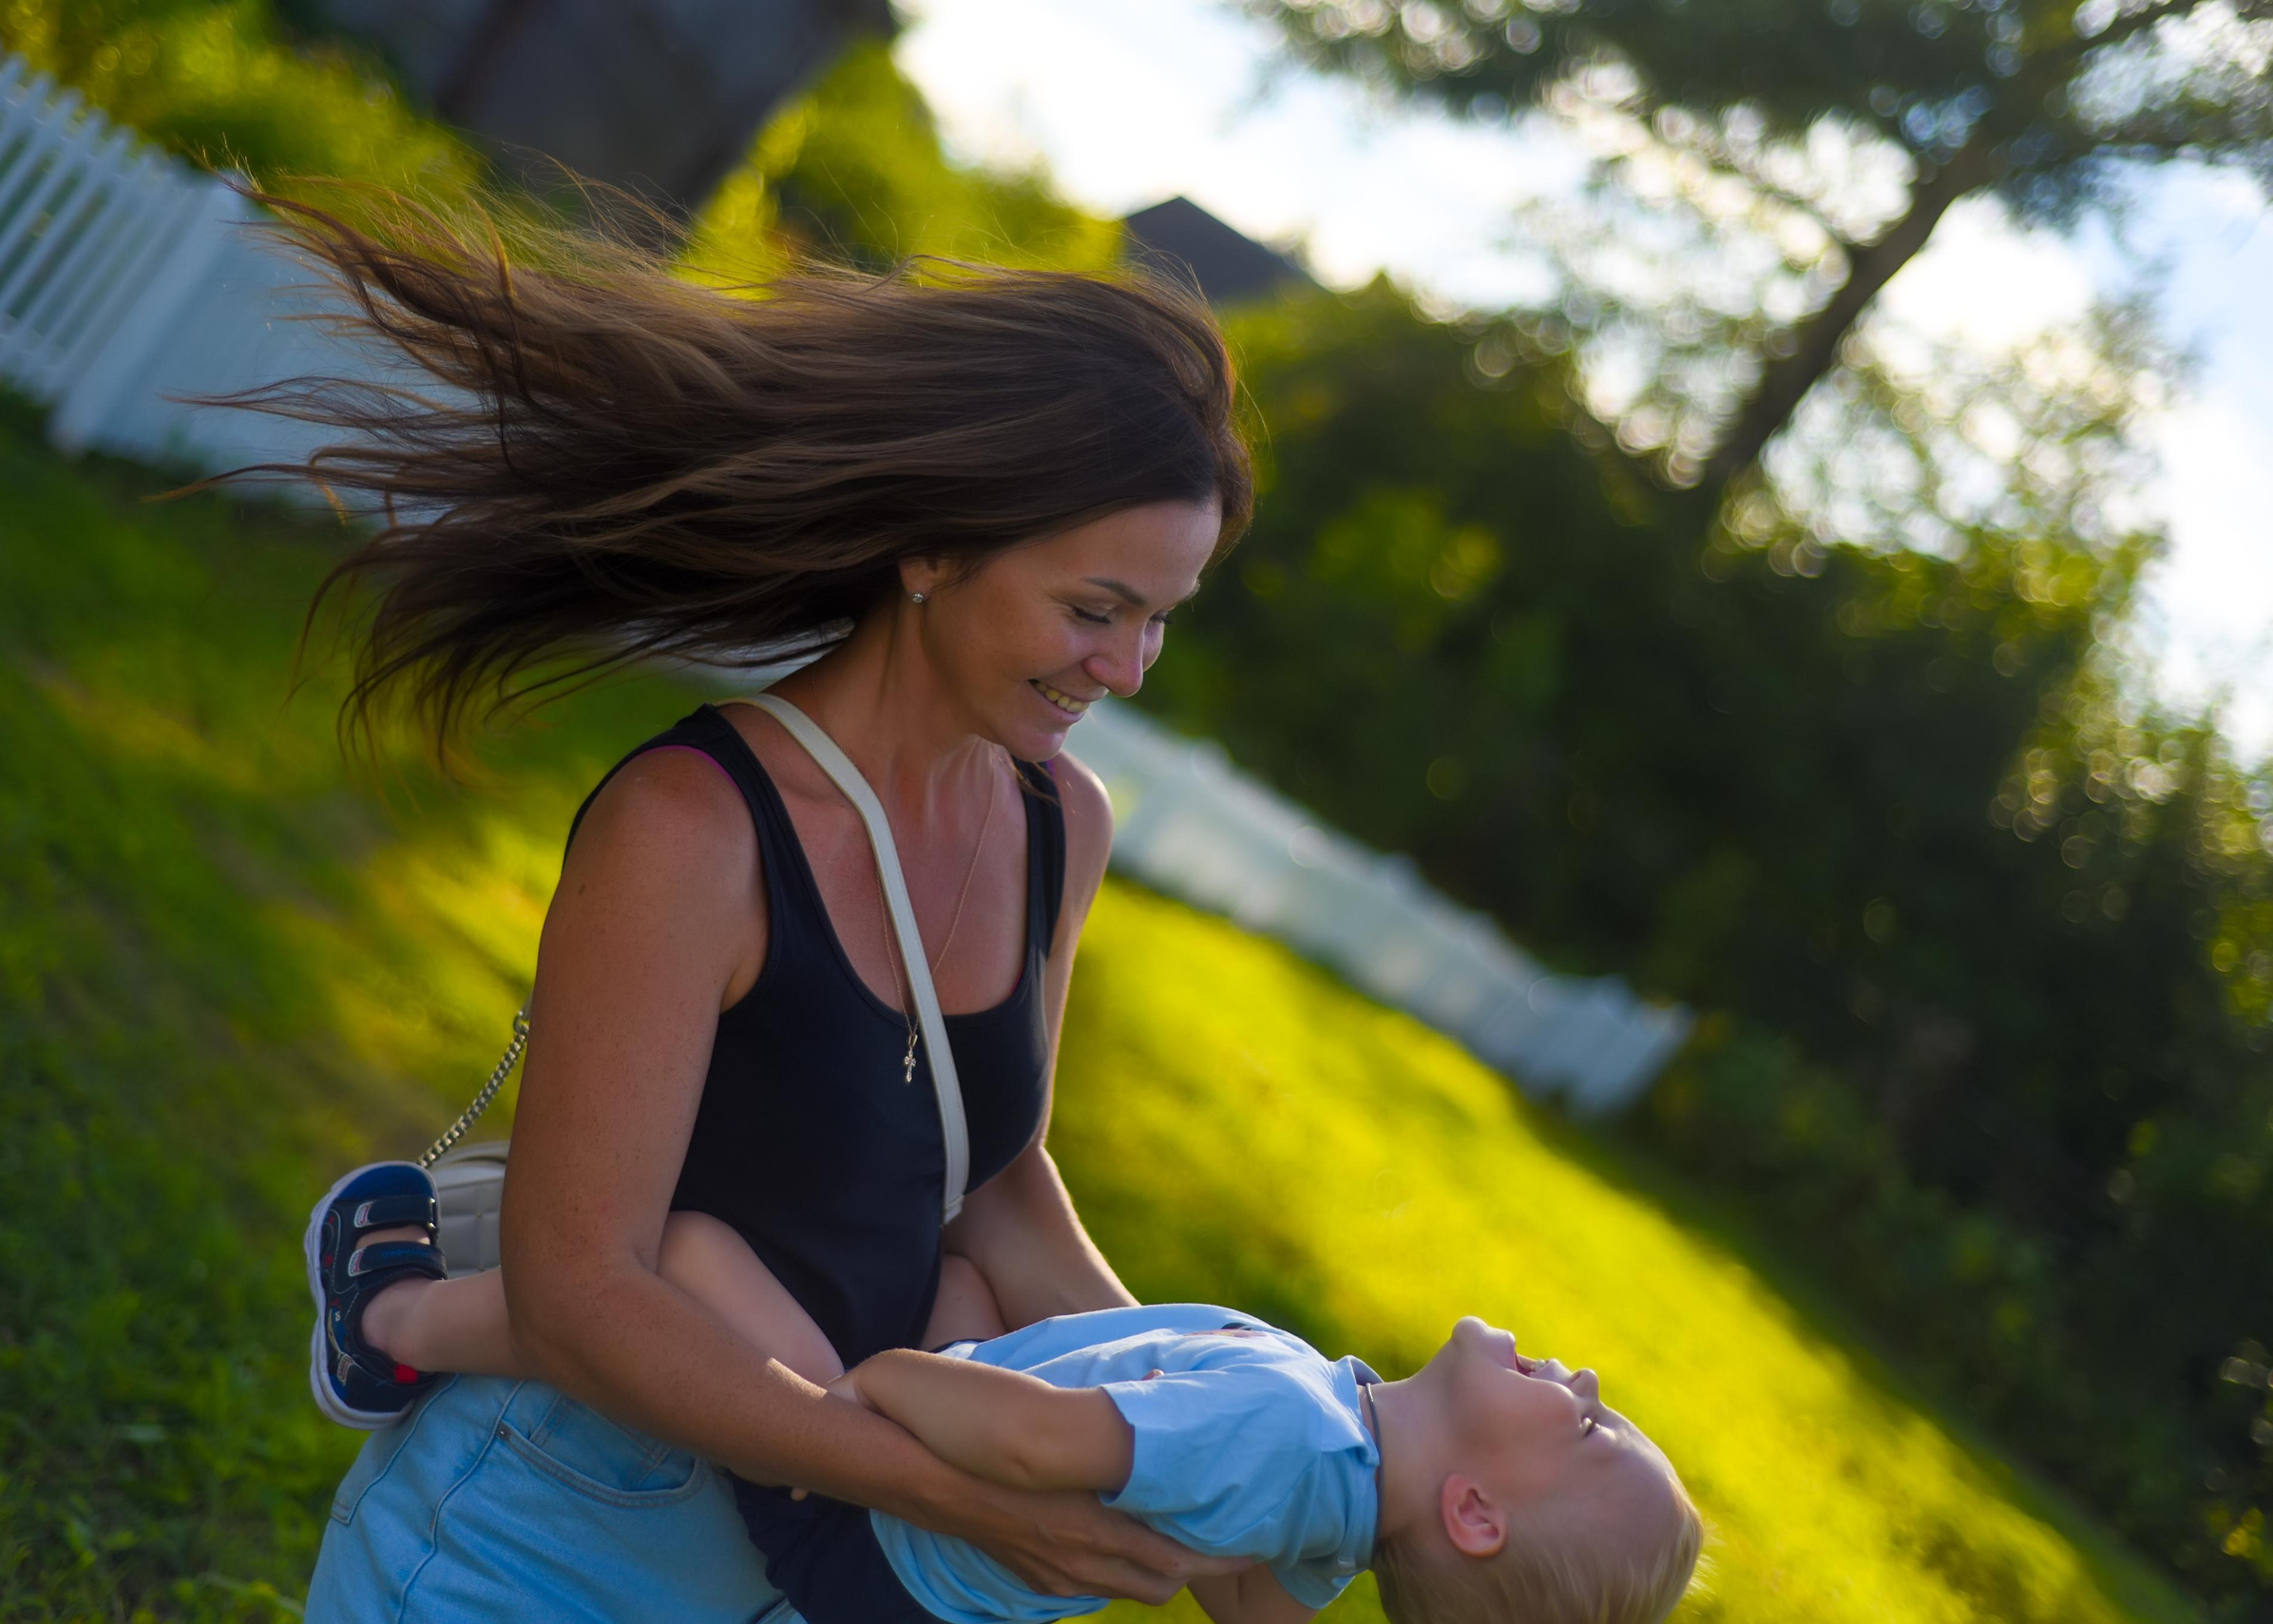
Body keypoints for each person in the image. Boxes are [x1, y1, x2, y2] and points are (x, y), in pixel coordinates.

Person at [229, 190, 1260, 1622]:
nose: (1131, 666)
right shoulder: (695, 828)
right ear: (930, 549)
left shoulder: (1056, 821)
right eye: (1094, 607)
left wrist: (1219, 1439)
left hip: (796, 1561)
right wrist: (943, 1494)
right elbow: (582, 1292)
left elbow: (1000, 1183)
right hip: (549, 1537)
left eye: (1162, 614)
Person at [306, 1171, 1705, 1624]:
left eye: (1588, 1422)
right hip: (924, 1569)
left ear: (1467, 1510)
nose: (1580, 1378)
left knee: (680, 1260)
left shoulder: (1294, 1433)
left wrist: (890, 1385)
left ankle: (395, 1322)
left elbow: (1044, 1433)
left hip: (867, 1520)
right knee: (966, 1265)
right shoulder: (1334, 1493)